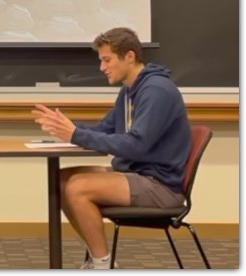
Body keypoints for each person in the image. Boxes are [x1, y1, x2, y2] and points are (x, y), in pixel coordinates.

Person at [32, 27, 191, 269]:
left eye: (107, 60)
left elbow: (137, 145)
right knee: (61, 180)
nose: (102, 67)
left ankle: (102, 264)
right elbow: (107, 128)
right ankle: (99, 258)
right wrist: (68, 128)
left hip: (160, 184)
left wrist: (75, 135)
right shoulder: (130, 90)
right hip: (137, 174)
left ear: (129, 56)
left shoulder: (156, 91)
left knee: (78, 188)